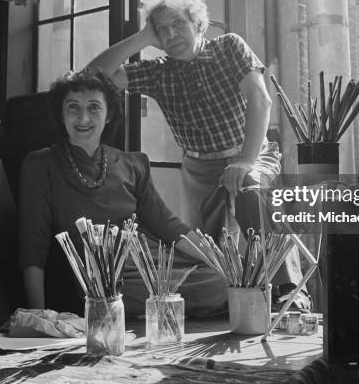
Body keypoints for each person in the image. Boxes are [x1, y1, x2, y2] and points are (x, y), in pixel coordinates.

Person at [88, 0, 309, 310]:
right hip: (199, 168)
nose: (171, 33)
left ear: (198, 23)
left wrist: (246, 160)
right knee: (210, 252)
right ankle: (233, 306)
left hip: (250, 151)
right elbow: (92, 77)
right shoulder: (157, 70)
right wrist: (142, 37)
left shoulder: (229, 46)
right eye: (161, 29)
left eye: (178, 23)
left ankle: (291, 290)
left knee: (251, 189)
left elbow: (260, 99)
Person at [18, 68, 226, 317]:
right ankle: (167, 308)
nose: (83, 118)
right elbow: (33, 242)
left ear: (108, 115)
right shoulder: (41, 164)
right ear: (61, 114)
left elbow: (168, 225)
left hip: (150, 259)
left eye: (94, 107)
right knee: (126, 298)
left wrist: (223, 262)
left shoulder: (132, 164)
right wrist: (37, 313)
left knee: (225, 281)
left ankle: (167, 307)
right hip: (101, 274)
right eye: (73, 107)